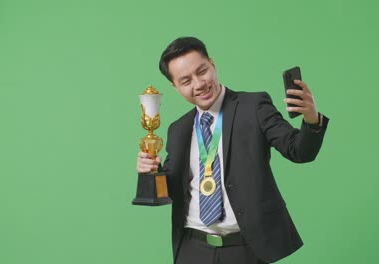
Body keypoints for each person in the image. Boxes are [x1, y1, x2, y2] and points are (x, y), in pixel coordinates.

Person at [136, 36, 329, 264]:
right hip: (192, 248)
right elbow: (171, 186)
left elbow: (299, 151)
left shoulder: (253, 106)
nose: (199, 84)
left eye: (202, 71)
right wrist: (150, 171)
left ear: (213, 65)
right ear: (175, 87)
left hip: (245, 249)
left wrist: (311, 119)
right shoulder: (178, 129)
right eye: (186, 81)